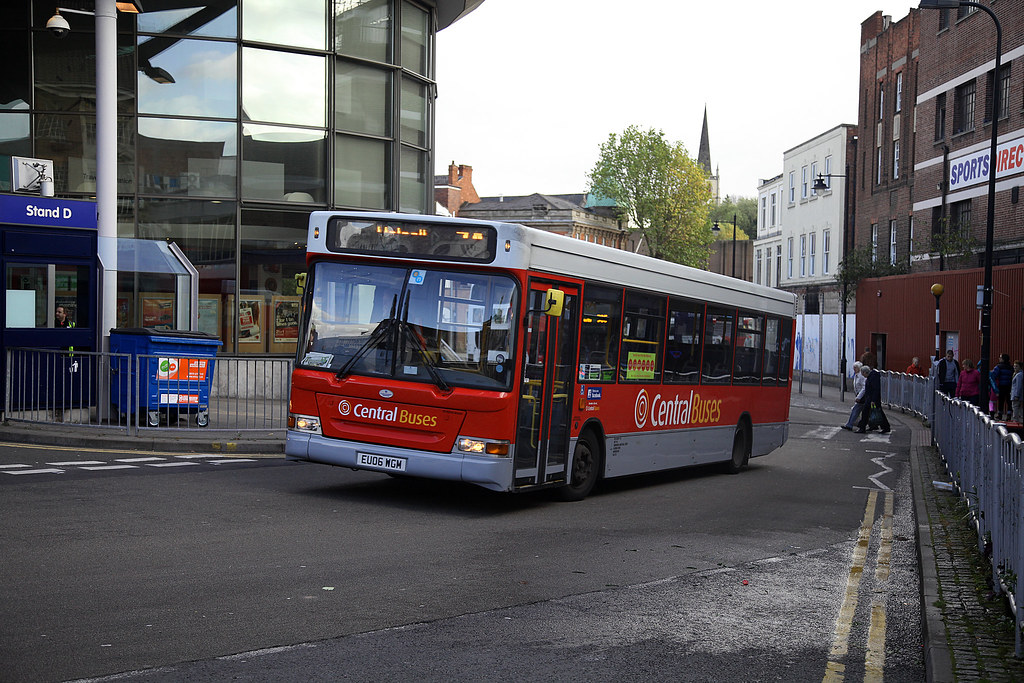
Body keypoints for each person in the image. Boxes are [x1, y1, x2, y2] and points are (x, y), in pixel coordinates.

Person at [855, 364, 890, 433]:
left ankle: (863, 427)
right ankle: (883, 427)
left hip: (872, 399)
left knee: (867, 412)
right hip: (871, 398)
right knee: (876, 412)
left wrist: (873, 400)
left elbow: (875, 389)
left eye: (863, 374)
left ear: (865, 372)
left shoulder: (873, 377)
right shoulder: (872, 376)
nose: (863, 376)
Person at [841, 362, 868, 430]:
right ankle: (871, 424)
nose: (854, 369)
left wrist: (859, 397)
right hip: (859, 396)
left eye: (855, 367)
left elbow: (864, 387)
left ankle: (849, 425)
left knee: (855, 410)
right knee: (864, 411)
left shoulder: (861, 376)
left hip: (862, 397)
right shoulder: (856, 375)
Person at [990, 353, 1014, 420]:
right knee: (1008, 401)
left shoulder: (998, 367)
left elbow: (994, 375)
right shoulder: (1011, 367)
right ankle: (1009, 414)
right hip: (1009, 385)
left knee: (1001, 400)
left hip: (1001, 385)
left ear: (1003, 359)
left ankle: (1000, 414)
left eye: (1000, 357)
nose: (999, 358)